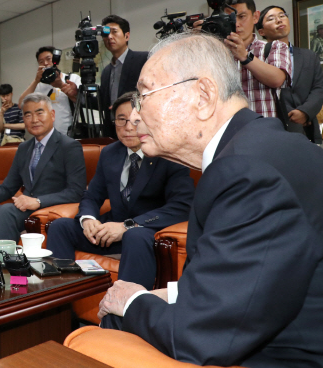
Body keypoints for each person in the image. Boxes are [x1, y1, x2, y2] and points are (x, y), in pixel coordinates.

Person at [98, 32, 323, 367]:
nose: (135, 115)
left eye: (144, 95)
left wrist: (132, 301)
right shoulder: (260, 147)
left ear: (202, 95)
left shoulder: (244, 170)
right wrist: (170, 294)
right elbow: (255, 275)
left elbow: (201, 336)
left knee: (115, 323)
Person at [46, 92, 194, 290]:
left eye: (135, 120)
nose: (128, 128)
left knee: (134, 236)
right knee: (60, 227)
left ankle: (126, 312)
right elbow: (92, 195)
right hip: (109, 231)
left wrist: (128, 226)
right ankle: (61, 296)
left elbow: (182, 206)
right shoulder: (110, 153)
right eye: (121, 120)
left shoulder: (168, 152)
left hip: (147, 232)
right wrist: (88, 218)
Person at [0, 93, 86, 242]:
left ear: (52, 115)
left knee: (8, 210)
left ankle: (0, 263)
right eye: (28, 115)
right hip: (22, 210)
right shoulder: (24, 148)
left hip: (48, 208)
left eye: (39, 113)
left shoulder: (69, 146)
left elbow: (76, 192)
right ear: (24, 119)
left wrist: (37, 201)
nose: (34, 120)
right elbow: (7, 188)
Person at [197, 0, 291, 119]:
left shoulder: (274, 47)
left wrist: (245, 56)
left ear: (255, 17)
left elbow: (277, 79)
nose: (236, 23)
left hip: (264, 128)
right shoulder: (214, 53)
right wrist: (197, 42)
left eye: (241, 16)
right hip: (229, 129)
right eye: (229, 17)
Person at [67, 15, 148, 139]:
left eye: (114, 32)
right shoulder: (106, 71)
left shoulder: (143, 60)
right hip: (112, 131)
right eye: (106, 34)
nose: (109, 37)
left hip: (138, 127)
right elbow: (103, 103)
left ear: (127, 36)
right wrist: (77, 95)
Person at [257, 5, 323, 144]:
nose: (279, 20)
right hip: (271, 126)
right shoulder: (257, 60)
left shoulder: (309, 56)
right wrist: (290, 114)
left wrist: (305, 112)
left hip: (306, 128)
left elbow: (319, 88)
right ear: (261, 31)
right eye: (271, 18)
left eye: (282, 16)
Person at [18, 46, 82, 135]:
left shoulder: (72, 79)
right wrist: (36, 80)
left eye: (49, 59)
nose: (45, 63)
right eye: (41, 62)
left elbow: (82, 101)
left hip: (69, 134)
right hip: (46, 136)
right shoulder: (38, 85)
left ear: (56, 60)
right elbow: (21, 104)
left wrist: (61, 85)